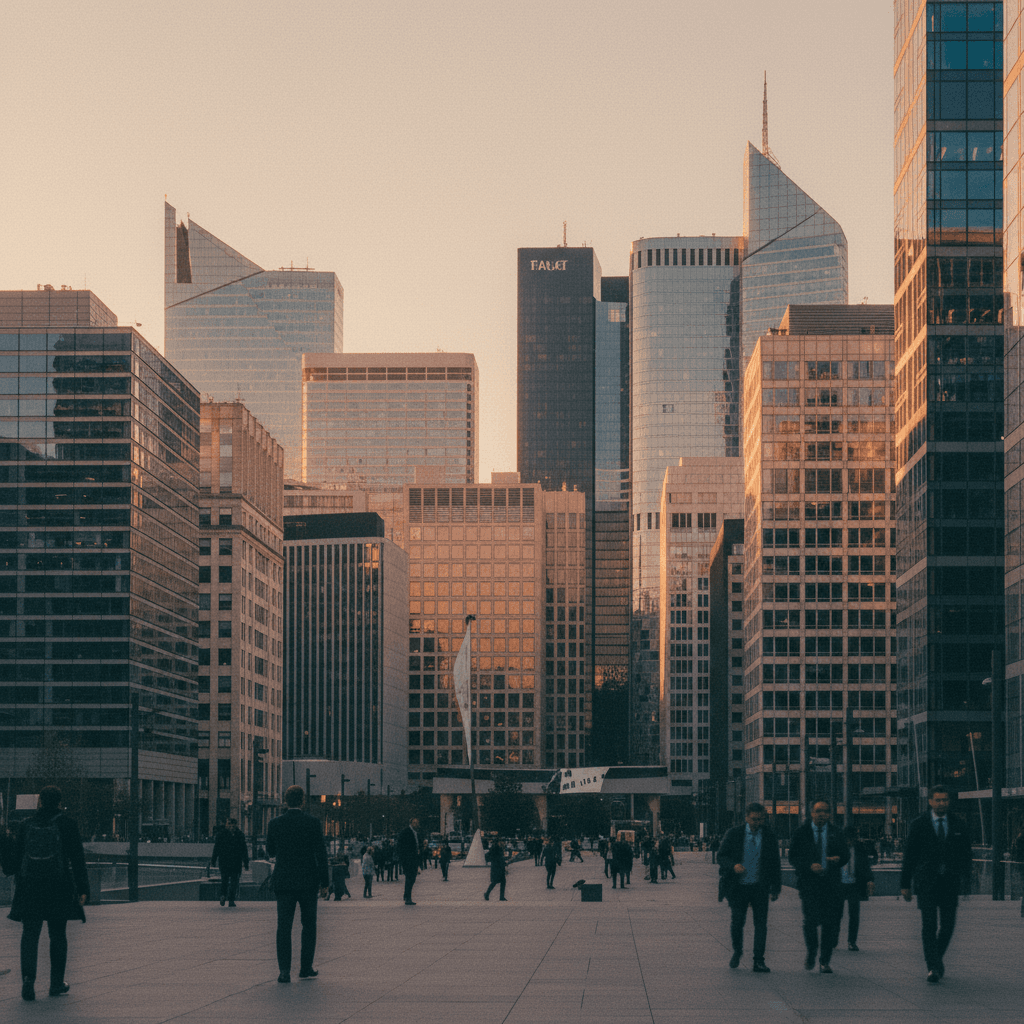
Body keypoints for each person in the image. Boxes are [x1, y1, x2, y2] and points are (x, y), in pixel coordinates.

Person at [2, 786, 89, 1001]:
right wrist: (84, 890)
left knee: (30, 934)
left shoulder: (26, 825)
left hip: (30, 888)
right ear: (59, 802)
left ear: (40, 801)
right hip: (58, 887)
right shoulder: (67, 824)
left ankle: (28, 981)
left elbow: (13, 863)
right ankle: (56, 983)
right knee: (57, 934)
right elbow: (77, 860)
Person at [900, 784, 972, 982]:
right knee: (929, 924)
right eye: (938, 800)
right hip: (927, 883)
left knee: (948, 925)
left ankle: (936, 958)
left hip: (950, 882)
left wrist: (966, 878)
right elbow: (909, 856)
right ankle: (932, 966)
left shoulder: (958, 823)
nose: (942, 803)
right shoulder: (919, 824)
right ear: (930, 801)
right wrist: (905, 883)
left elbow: (966, 853)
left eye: (945, 800)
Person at [266, 785, 329, 983]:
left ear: (286, 800)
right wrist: (325, 882)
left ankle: (284, 971)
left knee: (283, 927)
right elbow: (321, 854)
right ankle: (305, 968)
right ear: (302, 800)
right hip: (308, 881)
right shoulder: (313, 822)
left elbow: (270, 851)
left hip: (284, 881)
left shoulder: (275, 823)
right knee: (309, 925)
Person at [717, 803, 781, 973]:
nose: (757, 822)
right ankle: (737, 951)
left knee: (761, 924)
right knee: (738, 922)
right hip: (738, 887)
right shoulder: (734, 834)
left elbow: (775, 862)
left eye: (760, 819)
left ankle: (759, 960)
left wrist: (776, 887)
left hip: (760, 886)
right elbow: (721, 856)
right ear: (746, 817)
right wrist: (733, 865)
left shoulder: (769, 835)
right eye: (754, 819)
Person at [788, 800, 848, 973]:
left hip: (831, 885)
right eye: (818, 811)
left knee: (830, 923)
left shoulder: (836, 833)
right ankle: (812, 951)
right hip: (809, 884)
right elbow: (793, 857)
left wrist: (837, 859)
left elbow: (845, 854)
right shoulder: (801, 833)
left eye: (826, 811)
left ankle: (825, 960)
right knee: (810, 921)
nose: (822, 814)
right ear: (812, 813)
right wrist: (809, 865)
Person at [839, 825, 875, 951]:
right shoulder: (837, 847)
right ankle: (833, 939)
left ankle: (852, 941)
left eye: (854, 838)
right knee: (837, 914)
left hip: (854, 884)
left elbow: (865, 864)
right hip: (839, 884)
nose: (852, 841)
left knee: (854, 914)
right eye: (850, 838)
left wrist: (870, 879)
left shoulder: (859, 847)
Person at [210, 817, 249, 908]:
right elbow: (216, 848)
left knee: (234, 882)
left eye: (233, 825)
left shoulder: (240, 835)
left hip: (236, 862)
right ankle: (223, 896)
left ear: (235, 825)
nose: (231, 826)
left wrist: (246, 862)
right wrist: (213, 860)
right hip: (225, 862)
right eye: (230, 824)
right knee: (225, 880)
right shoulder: (221, 834)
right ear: (227, 825)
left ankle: (231, 899)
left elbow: (244, 850)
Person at [396, 817, 421, 905]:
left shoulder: (416, 833)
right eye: (415, 823)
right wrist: (403, 858)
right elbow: (400, 846)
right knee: (410, 878)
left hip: (413, 859)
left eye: (417, 822)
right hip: (408, 859)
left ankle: (406, 895)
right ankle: (408, 898)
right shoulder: (406, 832)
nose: (417, 824)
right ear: (411, 823)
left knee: (412, 878)